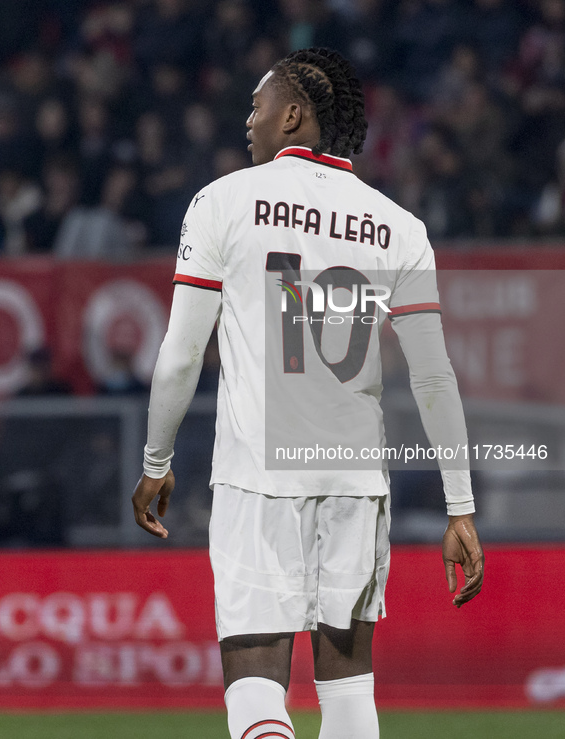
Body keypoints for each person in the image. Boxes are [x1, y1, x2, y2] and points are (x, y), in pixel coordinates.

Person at [132, 47, 484, 739]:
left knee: (257, 685)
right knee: (349, 691)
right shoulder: (399, 227)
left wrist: (154, 463)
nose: (248, 119)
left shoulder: (223, 200)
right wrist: (460, 506)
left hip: (255, 476)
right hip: (354, 481)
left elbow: (178, 357)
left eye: (258, 105)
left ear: (292, 114)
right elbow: (433, 375)